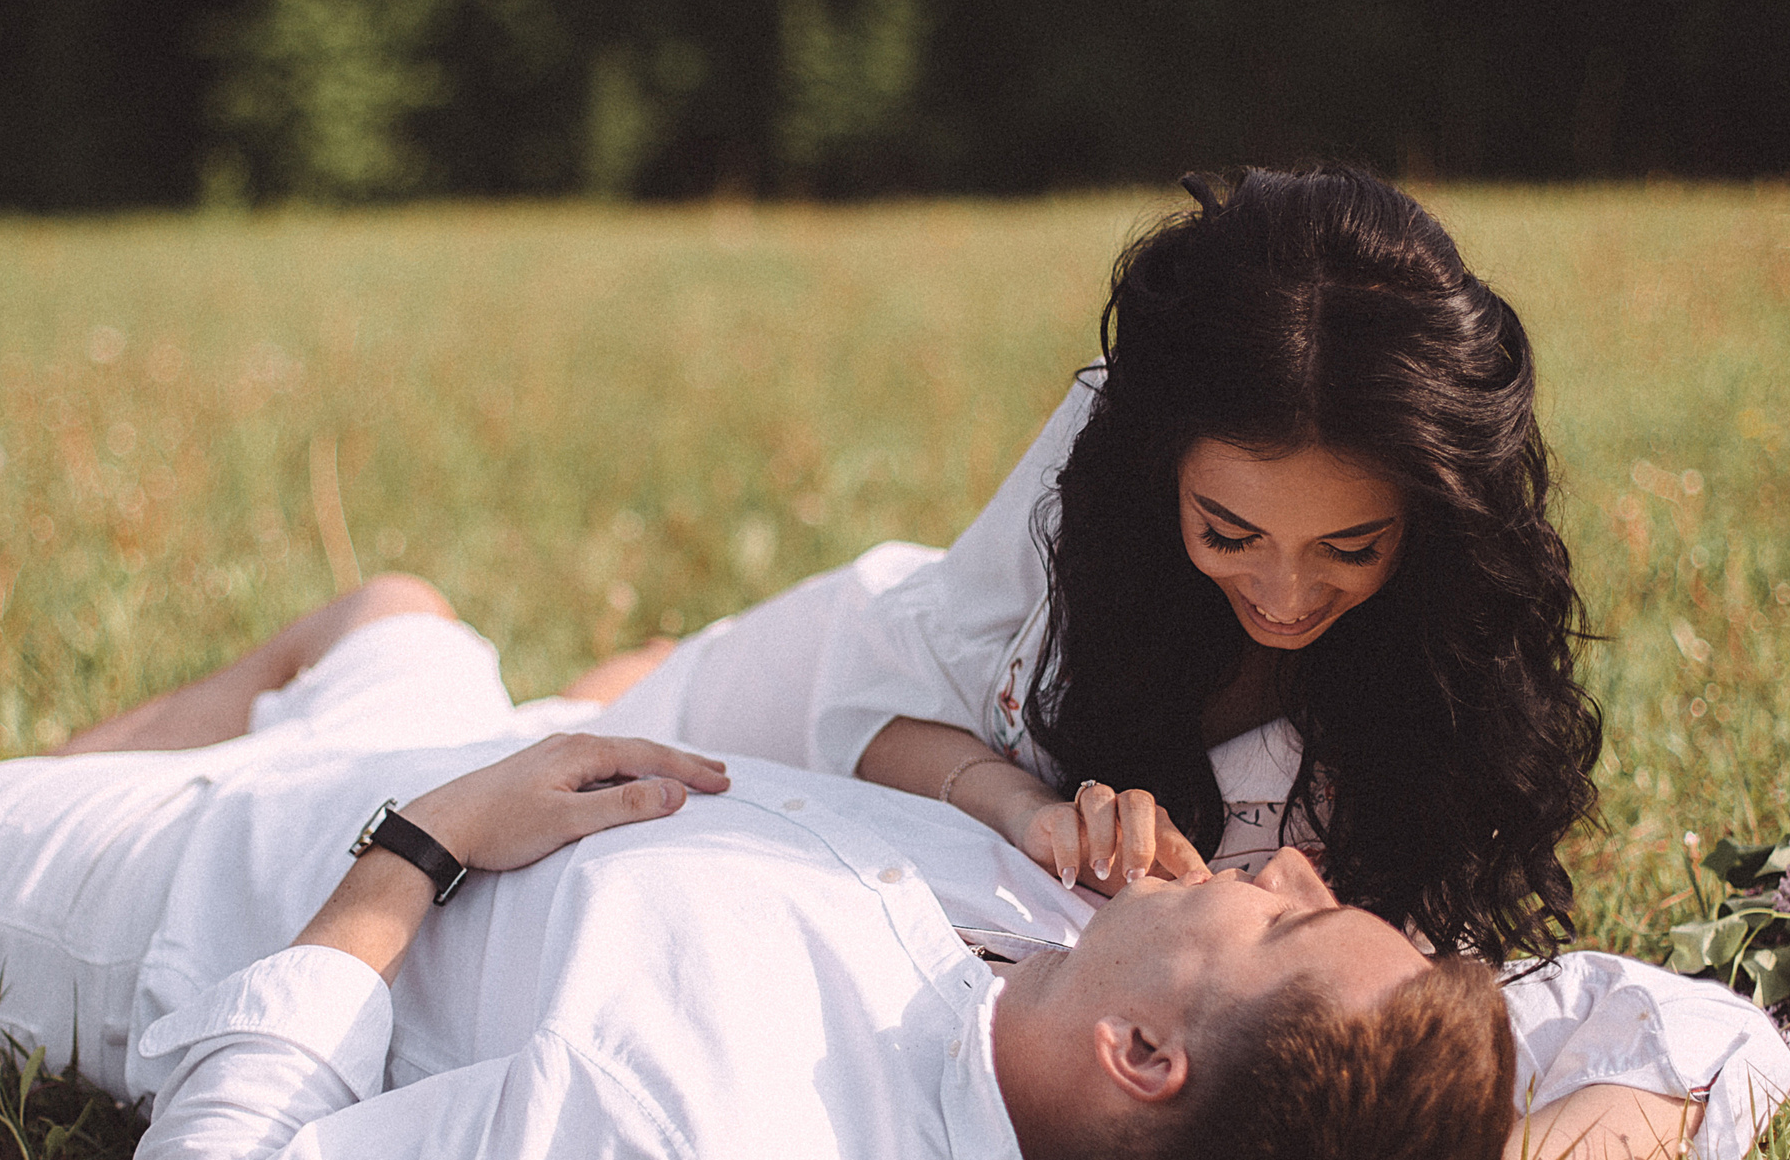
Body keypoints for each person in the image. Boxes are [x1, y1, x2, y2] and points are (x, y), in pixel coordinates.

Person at [0, 584, 1790, 1160]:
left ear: (1143, 1052)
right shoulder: (1061, 944)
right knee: (379, 589)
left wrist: (409, 857)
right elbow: (1690, 1035)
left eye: (1279, 921)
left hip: (220, 881)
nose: (1289, 866)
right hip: (434, 739)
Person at [582, 165, 1599, 964]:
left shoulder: (1447, 652)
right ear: (1163, 481)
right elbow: (871, 716)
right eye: (1229, 535)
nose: (1286, 597)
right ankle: (580, 662)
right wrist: (1029, 809)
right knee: (552, 747)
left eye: (1351, 548)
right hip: (806, 681)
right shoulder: (1092, 525)